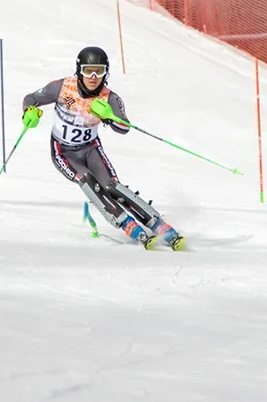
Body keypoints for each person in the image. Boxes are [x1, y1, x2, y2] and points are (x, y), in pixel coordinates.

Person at [21, 46, 185, 250]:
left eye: (99, 71)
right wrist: (29, 112)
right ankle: (127, 224)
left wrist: (109, 116)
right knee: (89, 182)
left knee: (111, 185)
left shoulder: (110, 98)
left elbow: (124, 128)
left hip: (90, 149)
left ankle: (158, 224)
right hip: (64, 152)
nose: (93, 77)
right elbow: (31, 99)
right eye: (88, 70)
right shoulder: (63, 87)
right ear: (79, 71)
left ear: (105, 73)